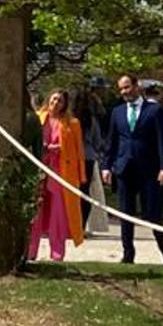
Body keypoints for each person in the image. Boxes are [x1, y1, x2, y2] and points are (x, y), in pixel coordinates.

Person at [103, 72, 163, 265]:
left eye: (127, 87)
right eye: (121, 89)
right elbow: (111, 141)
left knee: (153, 213)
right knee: (125, 213)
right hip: (125, 169)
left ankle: (162, 246)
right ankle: (128, 253)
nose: (124, 92)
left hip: (150, 170)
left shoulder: (155, 111)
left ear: (137, 86)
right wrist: (106, 166)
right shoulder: (117, 112)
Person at [28, 90, 84, 262]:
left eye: (60, 100)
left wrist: (81, 175)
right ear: (48, 99)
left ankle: (57, 253)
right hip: (39, 169)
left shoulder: (72, 123)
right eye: (54, 99)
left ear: (64, 104)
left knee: (57, 214)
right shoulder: (37, 118)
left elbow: (79, 151)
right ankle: (30, 251)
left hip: (61, 172)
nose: (56, 103)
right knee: (35, 212)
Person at [71, 86, 107, 233]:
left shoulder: (70, 120)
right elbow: (97, 142)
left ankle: (71, 225)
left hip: (71, 157)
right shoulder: (91, 121)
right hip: (88, 158)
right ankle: (82, 226)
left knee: (71, 192)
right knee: (85, 192)